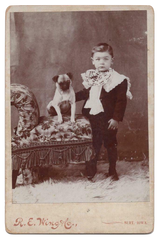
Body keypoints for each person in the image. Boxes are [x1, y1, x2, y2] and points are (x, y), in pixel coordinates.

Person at [75, 43, 132, 181]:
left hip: (108, 118)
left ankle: (112, 170)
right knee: (94, 143)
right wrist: (70, 98)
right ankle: (91, 170)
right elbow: (85, 93)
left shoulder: (119, 80)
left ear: (112, 60)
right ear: (93, 61)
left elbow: (120, 101)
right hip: (91, 117)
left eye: (106, 59)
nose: (102, 62)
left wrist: (116, 119)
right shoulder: (92, 76)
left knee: (110, 143)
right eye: (98, 59)